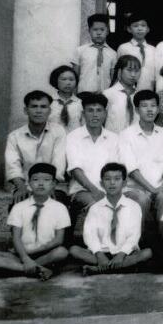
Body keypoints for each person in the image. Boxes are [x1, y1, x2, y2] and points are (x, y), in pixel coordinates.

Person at [69, 163, 152, 276]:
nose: (112, 183)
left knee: (147, 253)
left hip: (126, 253)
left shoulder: (134, 206)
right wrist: (99, 254)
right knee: (74, 250)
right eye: (107, 179)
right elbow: (90, 235)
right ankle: (121, 267)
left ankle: (100, 269)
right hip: (102, 252)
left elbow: (134, 235)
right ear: (101, 184)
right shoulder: (95, 208)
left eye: (117, 179)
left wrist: (121, 254)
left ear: (124, 183)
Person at [0, 163, 70, 280]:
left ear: (54, 184)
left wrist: (32, 252)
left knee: (62, 252)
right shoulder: (19, 207)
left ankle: (20, 269)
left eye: (46, 180)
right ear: (29, 183)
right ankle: (37, 269)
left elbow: (58, 240)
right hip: (21, 253)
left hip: (45, 253)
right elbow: (16, 237)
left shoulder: (60, 208)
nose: (40, 183)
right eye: (35, 180)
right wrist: (25, 257)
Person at [119, 90, 163, 232]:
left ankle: (162, 240)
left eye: (153, 105)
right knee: (142, 199)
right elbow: (131, 169)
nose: (150, 110)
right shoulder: (126, 134)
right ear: (137, 110)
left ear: (158, 109)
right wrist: (152, 190)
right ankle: (141, 240)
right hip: (133, 189)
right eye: (144, 106)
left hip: (159, 188)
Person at [66, 93, 120, 231]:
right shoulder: (73, 137)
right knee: (99, 206)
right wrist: (95, 191)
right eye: (90, 110)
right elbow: (75, 170)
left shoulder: (114, 138)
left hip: (110, 190)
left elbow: (116, 170)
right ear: (83, 114)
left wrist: (110, 192)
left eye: (99, 110)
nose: (95, 115)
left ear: (105, 113)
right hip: (82, 191)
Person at [5, 91, 67, 204]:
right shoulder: (14, 136)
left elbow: (59, 164)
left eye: (43, 107)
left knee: (56, 205)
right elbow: (13, 167)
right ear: (26, 110)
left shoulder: (58, 132)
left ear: (49, 111)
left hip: (53, 186)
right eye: (34, 106)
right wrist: (21, 187)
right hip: (25, 186)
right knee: (19, 206)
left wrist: (49, 186)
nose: (38, 111)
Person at [73, 13, 117, 93]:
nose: (99, 33)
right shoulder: (80, 51)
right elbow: (75, 76)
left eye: (102, 30)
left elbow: (113, 78)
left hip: (105, 94)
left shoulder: (113, 54)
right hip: (84, 93)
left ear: (107, 31)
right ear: (89, 31)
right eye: (95, 29)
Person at [116, 12, 156, 92]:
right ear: (129, 29)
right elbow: (118, 71)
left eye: (143, 25)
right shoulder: (123, 48)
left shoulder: (153, 50)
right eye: (135, 26)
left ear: (148, 29)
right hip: (128, 90)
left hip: (149, 90)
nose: (140, 29)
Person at [103, 55, 141, 133]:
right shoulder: (107, 94)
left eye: (137, 71)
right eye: (129, 70)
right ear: (120, 71)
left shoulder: (140, 96)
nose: (133, 74)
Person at [47, 65, 83, 132]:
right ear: (55, 80)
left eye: (71, 79)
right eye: (64, 79)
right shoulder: (48, 102)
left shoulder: (80, 103)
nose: (68, 83)